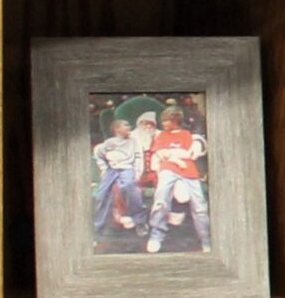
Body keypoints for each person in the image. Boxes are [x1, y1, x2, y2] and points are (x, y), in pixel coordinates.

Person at [144, 103, 210, 254]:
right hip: (169, 170)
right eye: (163, 120)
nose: (163, 123)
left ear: (175, 120)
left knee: (199, 206)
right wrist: (178, 157)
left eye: (166, 120)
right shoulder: (161, 135)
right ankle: (156, 235)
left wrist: (175, 154)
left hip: (189, 172)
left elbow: (191, 154)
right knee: (161, 200)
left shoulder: (187, 135)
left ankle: (205, 239)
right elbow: (162, 154)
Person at [90, 108, 149, 244]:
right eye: (126, 125)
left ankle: (139, 221)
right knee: (101, 195)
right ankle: (98, 229)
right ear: (117, 129)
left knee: (130, 187)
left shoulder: (134, 142)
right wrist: (104, 168)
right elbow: (98, 153)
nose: (129, 127)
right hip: (112, 170)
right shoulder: (109, 143)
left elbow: (139, 157)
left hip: (127, 169)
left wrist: (138, 172)